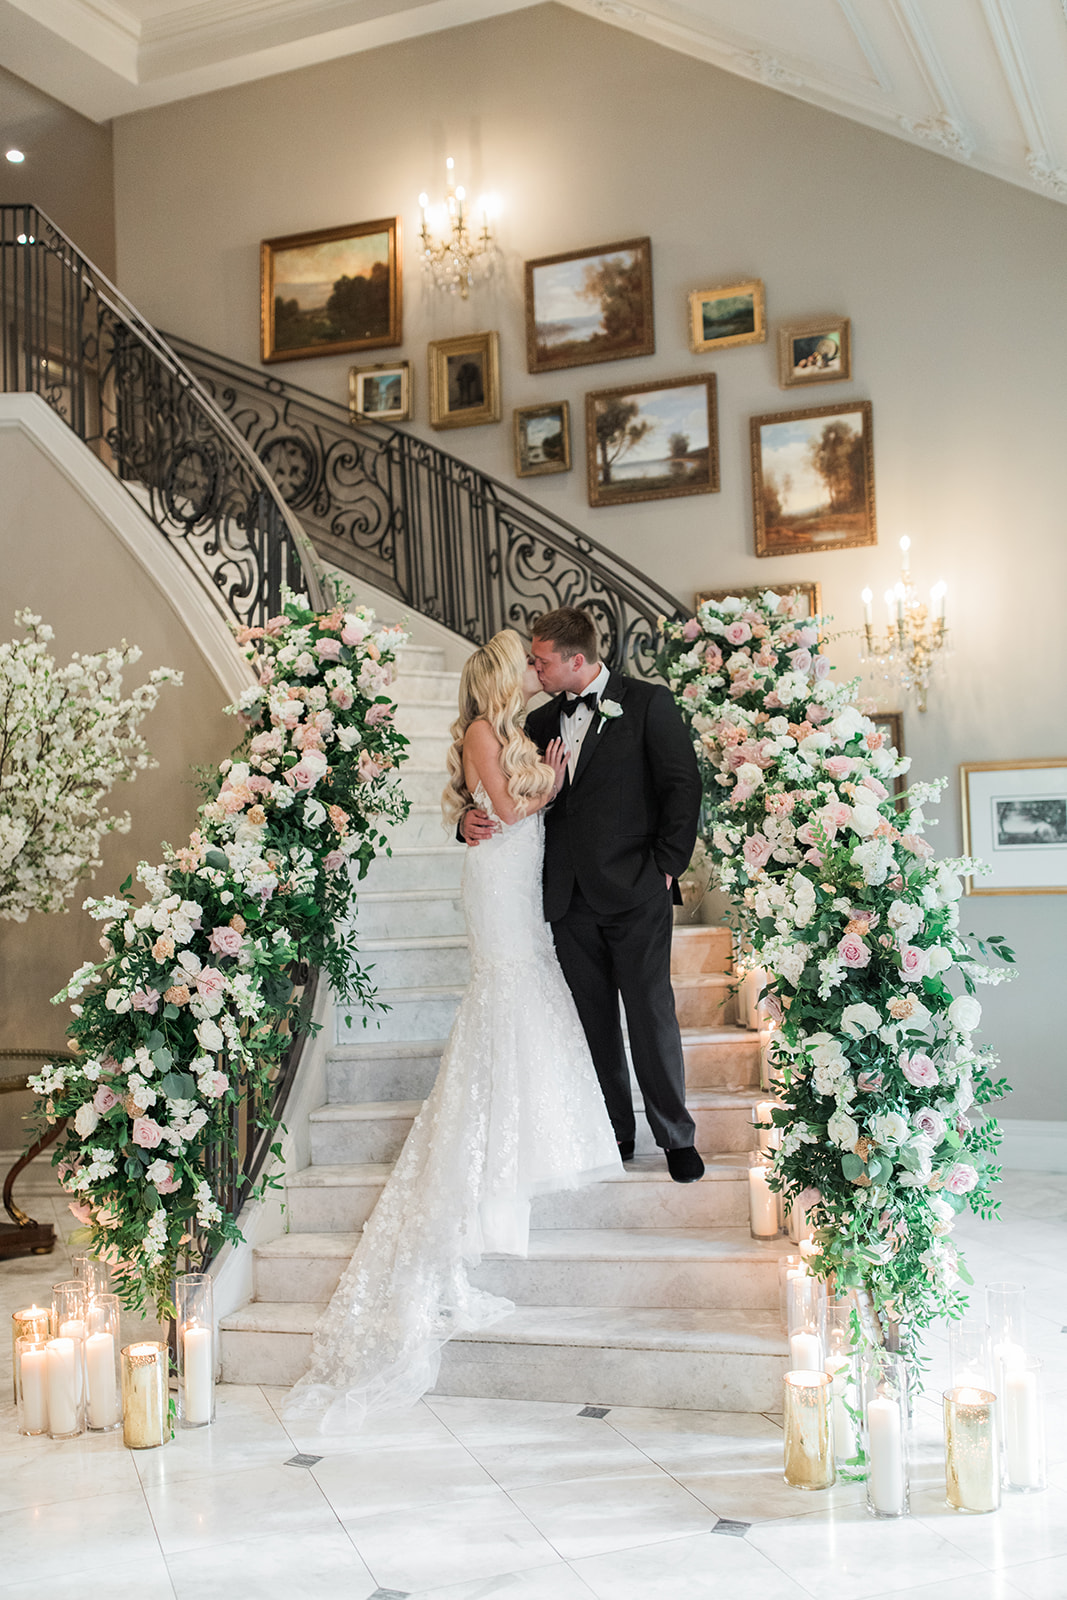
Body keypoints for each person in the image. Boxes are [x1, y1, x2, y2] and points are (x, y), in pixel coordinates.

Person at [284, 628, 620, 1430]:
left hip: (511, 878)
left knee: (523, 988)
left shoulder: (510, 733)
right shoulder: (480, 729)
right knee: (507, 988)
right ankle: (485, 1143)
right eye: (525, 668)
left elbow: (491, 808)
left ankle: (510, 1132)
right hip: (499, 884)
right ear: (505, 679)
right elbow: (505, 809)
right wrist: (555, 783)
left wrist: (520, 793)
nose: (535, 674)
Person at [461, 606, 704, 1182]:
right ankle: (614, 1132)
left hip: (636, 889)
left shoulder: (647, 703)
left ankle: (675, 1137)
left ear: (577, 660)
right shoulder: (537, 722)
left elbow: (682, 784)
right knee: (591, 1023)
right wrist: (465, 823)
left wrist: (666, 867)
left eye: (541, 661)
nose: (533, 670)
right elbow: (494, 789)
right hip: (565, 898)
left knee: (650, 1015)